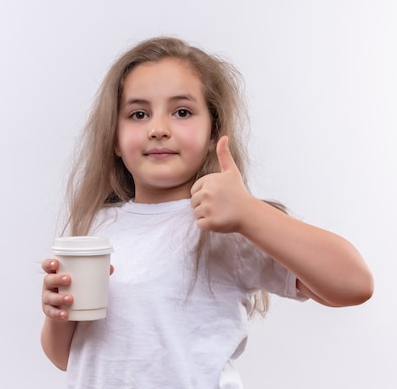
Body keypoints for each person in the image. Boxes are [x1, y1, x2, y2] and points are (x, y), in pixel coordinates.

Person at [40, 36, 374, 388]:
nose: (158, 129)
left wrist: (249, 214)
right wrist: (57, 314)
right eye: (138, 114)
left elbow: (354, 284)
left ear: (213, 132)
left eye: (182, 112)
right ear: (114, 139)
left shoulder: (226, 226)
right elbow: (68, 358)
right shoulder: (99, 226)